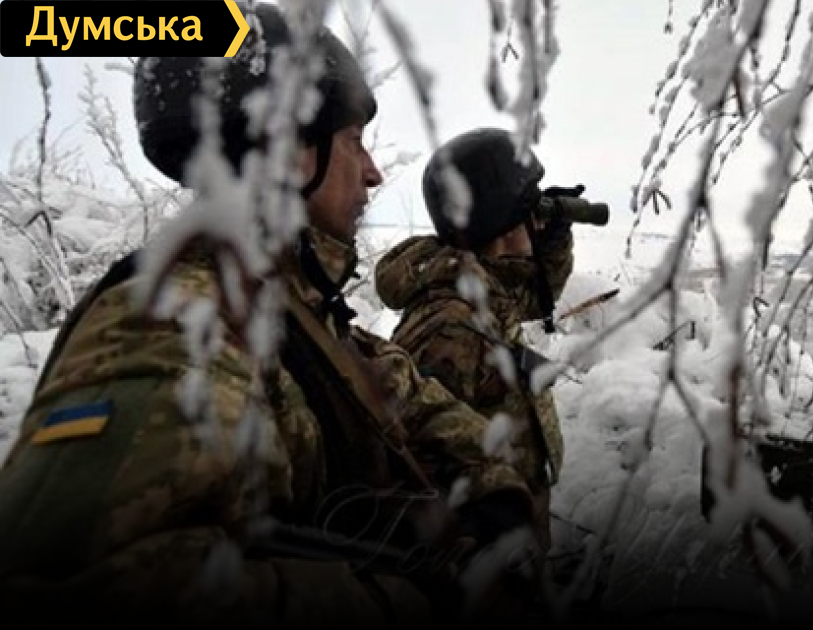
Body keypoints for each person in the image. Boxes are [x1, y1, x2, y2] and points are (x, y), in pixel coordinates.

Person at [0, 5, 533, 627]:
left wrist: (493, 498)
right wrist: (418, 599)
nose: (373, 172)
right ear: (293, 152)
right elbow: (75, 579)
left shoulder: (297, 319)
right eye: (353, 142)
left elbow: (413, 404)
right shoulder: (176, 323)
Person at [374, 128, 583, 582]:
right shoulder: (451, 329)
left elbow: (533, 295)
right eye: (530, 212)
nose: (538, 221)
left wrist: (553, 240)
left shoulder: (481, 291)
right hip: (483, 572)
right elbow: (417, 475)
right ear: (505, 222)